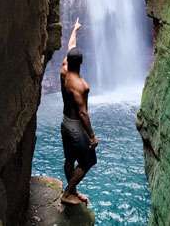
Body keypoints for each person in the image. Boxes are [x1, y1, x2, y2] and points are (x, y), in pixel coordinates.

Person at [59, 18, 99, 205]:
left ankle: (73, 191)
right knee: (88, 161)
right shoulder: (80, 86)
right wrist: (91, 136)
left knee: (69, 159)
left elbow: (71, 45)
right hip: (76, 126)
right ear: (81, 63)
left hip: (65, 122)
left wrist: (75, 29)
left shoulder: (64, 70)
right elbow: (83, 113)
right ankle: (68, 193)